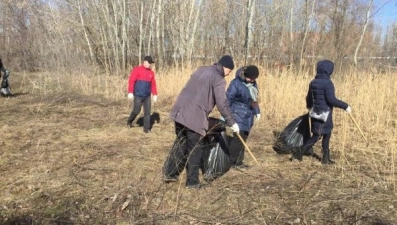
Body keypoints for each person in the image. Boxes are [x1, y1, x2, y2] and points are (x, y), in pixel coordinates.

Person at [166, 55, 239, 189]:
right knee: (195, 149)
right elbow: (222, 103)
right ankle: (192, 182)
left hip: (179, 111)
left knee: (182, 143)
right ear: (225, 67)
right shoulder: (219, 79)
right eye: (229, 70)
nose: (229, 74)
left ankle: (170, 174)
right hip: (193, 116)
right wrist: (232, 121)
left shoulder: (201, 70)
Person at [291, 60, 351, 164]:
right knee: (317, 136)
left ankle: (325, 159)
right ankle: (298, 153)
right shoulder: (328, 83)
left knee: (327, 134)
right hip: (324, 115)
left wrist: (309, 107)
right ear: (329, 70)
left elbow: (309, 97)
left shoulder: (313, 82)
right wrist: (345, 106)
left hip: (315, 113)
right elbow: (331, 100)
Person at [226, 65, 261, 170]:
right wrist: (227, 117)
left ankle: (239, 161)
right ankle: (231, 162)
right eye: (250, 78)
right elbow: (228, 100)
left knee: (243, 138)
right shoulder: (235, 83)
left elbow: (254, 100)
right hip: (237, 115)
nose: (252, 80)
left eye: (254, 79)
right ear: (245, 75)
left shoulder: (253, 84)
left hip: (248, 116)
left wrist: (257, 112)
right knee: (238, 140)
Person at [127, 56, 158, 133]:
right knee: (136, 110)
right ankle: (129, 121)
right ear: (145, 62)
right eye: (149, 63)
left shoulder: (151, 73)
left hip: (147, 96)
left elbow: (153, 84)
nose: (150, 64)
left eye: (151, 63)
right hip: (138, 95)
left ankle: (146, 129)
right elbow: (132, 81)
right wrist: (130, 92)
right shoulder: (137, 70)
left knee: (147, 112)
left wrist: (155, 94)